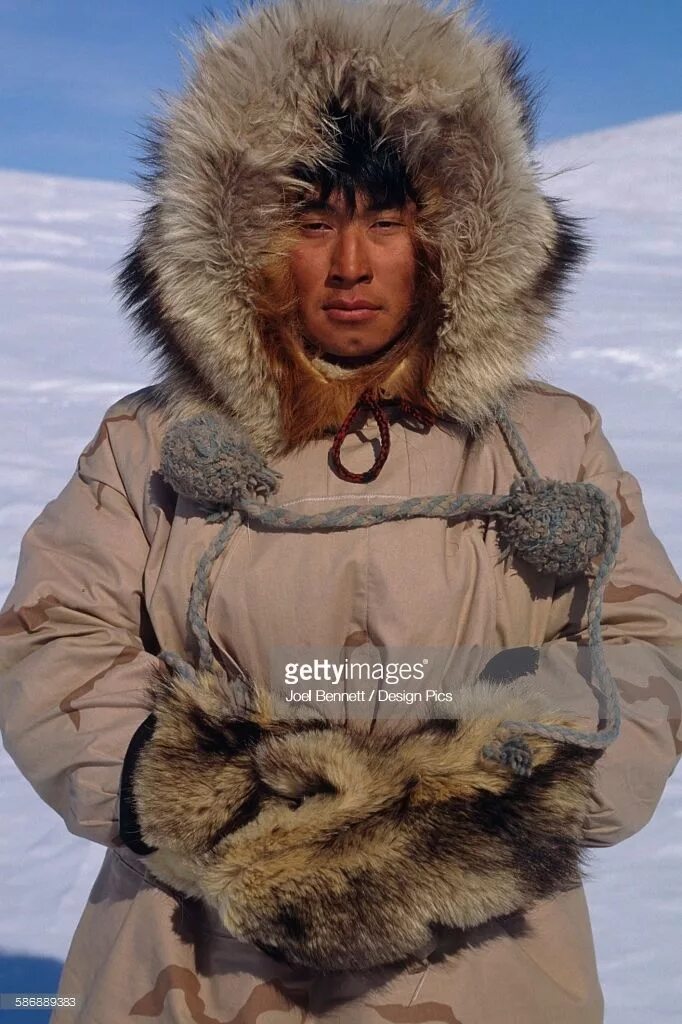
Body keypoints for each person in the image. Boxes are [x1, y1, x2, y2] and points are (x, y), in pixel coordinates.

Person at [1, 0, 681, 1021]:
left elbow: (638, 638)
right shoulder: (149, 445)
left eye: (389, 220)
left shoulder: (548, 443)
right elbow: (53, 635)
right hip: (190, 952)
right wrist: (201, 802)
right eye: (311, 222)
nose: (351, 264)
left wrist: (488, 825)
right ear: (240, 241)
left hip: (479, 956)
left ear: (454, 234)